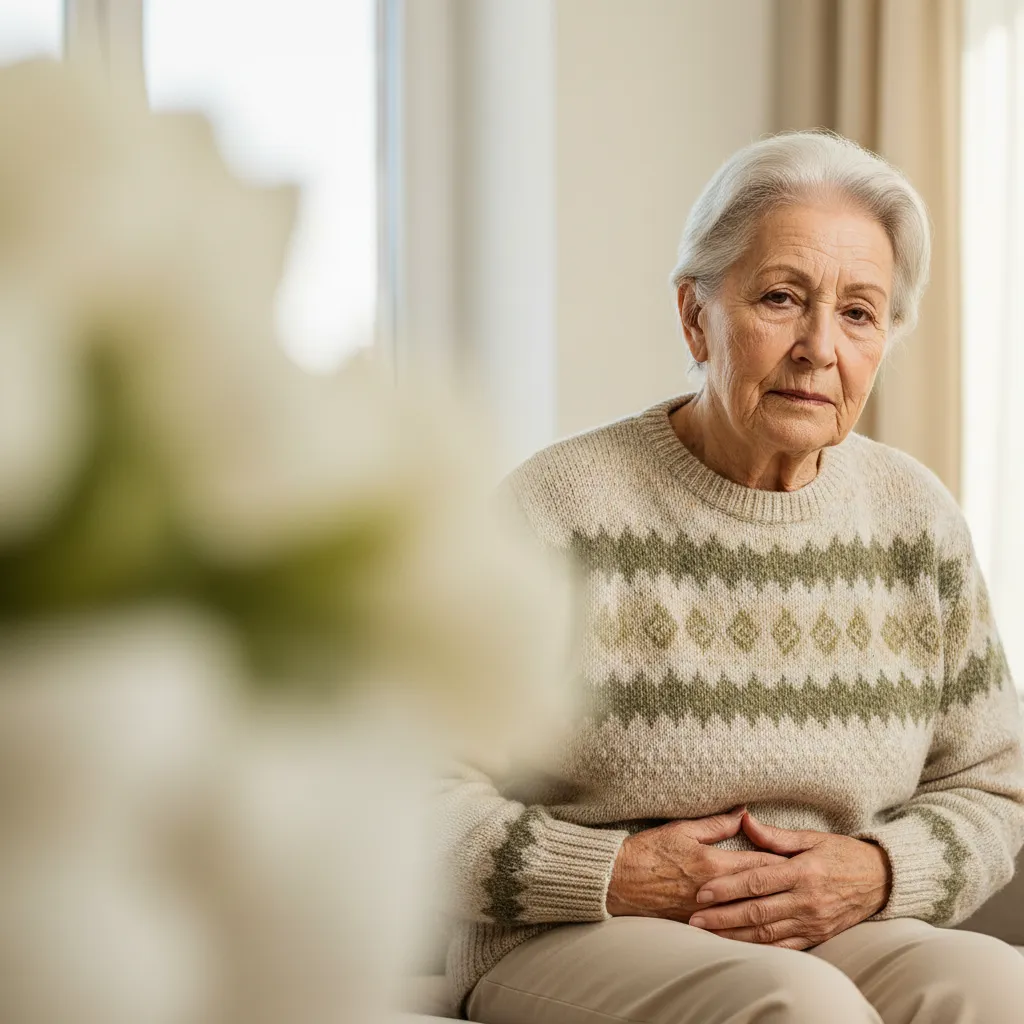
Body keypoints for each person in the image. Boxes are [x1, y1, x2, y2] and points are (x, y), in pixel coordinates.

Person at [437, 130, 1024, 1023]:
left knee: (993, 988)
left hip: (832, 930)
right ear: (694, 316)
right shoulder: (555, 511)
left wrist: (878, 871)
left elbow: (993, 782)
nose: (819, 346)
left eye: (859, 313)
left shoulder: (915, 516)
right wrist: (616, 873)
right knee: (799, 1006)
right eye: (782, 299)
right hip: (577, 933)